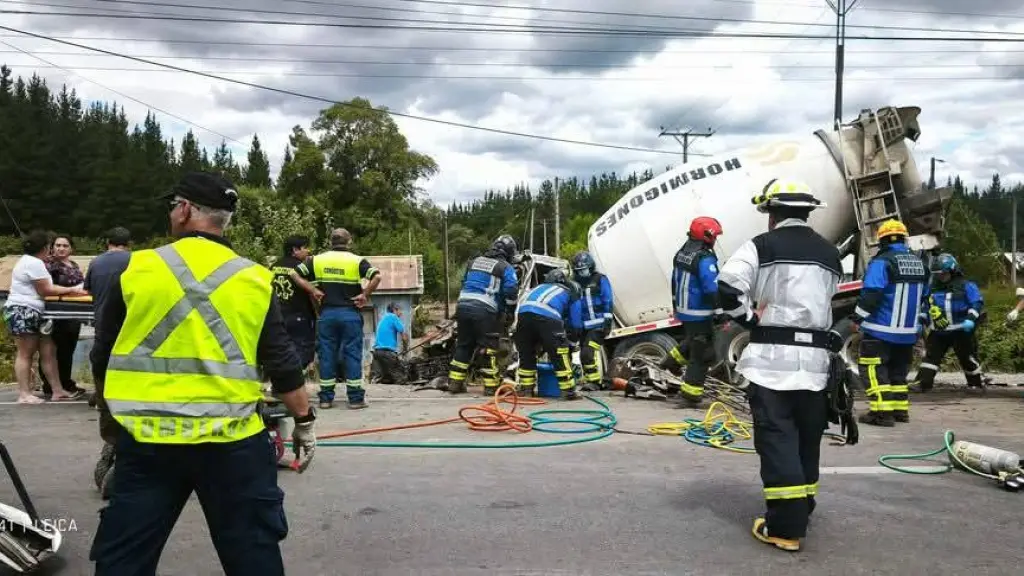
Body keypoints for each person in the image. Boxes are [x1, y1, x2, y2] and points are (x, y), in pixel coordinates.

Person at [88, 172, 317, 576]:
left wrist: (111, 424)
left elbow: (103, 353)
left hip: (148, 441)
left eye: (171, 206)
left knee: (124, 559)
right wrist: (303, 422)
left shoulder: (136, 268)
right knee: (253, 557)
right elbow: (281, 360)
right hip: (232, 443)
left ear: (184, 210)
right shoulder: (252, 277)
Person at [717, 178, 843, 552]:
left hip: (772, 362)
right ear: (807, 213)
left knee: (777, 438)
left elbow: (726, 285)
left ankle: (786, 528)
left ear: (772, 215)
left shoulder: (761, 245)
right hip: (816, 364)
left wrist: (749, 320)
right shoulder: (830, 253)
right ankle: (803, 508)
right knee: (807, 439)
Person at [849, 220, 929, 426]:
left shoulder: (882, 262)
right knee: (898, 372)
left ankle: (881, 414)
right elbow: (926, 297)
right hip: (909, 333)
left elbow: (872, 293)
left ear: (882, 240)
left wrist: (857, 318)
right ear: (904, 238)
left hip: (880, 330)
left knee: (874, 371)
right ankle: (900, 411)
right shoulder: (920, 264)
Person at [297, 228, 381, 409]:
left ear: (330, 242)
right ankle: (355, 399)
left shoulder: (317, 260)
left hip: (327, 314)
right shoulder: (357, 261)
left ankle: (326, 399)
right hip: (350, 314)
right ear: (348, 242)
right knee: (352, 354)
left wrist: (313, 290)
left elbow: (294, 274)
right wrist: (364, 294)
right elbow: (377, 276)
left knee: (327, 355)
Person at [1, 229, 86, 404]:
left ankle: (57, 390)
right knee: (26, 353)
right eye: (51, 246)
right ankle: (24, 394)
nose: (52, 250)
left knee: (49, 350)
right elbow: (46, 289)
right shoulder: (34, 263)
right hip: (23, 310)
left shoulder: (35, 262)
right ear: (45, 247)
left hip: (36, 311)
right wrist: (73, 290)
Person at [83, 226, 133, 496]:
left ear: (107, 242)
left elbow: (88, 291)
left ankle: (112, 444)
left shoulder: (97, 262)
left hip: (103, 339)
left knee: (107, 402)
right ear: (129, 243)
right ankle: (124, 458)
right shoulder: (137, 262)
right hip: (130, 341)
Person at [659, 216, 725, 409]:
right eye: (714, 236)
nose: (716, 240)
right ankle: (691, 394)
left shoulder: (682, 253)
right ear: (707, 236)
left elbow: (674, 281)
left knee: (693, 340)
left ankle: (670, 362)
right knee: (703, 353)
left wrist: (675, 306)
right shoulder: (704, 258)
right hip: (699, 312)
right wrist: (721, 312)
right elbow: (711, 288)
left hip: (685, 311)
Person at [446, 235, 519, 396]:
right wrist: (509, 311)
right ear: (508, 252)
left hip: (463, 305)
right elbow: (511, 289)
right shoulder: (505, 267)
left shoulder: (474, 261)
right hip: (484, 310)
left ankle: (454, 383)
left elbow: (464, 281)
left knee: (464, 344)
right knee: (489, 348)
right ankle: (491, 386)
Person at [912, 253, 985, 393]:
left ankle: (975, 385)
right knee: (931, 358)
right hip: (939, 331)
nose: (941, 276)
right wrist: (921, 322)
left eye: (943, 273)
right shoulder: (933, 288)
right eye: (938, 274)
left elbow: (976, 304)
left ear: (953, 270)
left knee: (967, 358)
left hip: (961, 330)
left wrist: (970, 319)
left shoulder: (967, 286)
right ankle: (923, 384)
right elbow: (926, 307)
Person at [514, 268, 585, 400]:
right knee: (560, 353)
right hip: (547, 316)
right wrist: (572, 341)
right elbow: (575, 321)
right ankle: (568, 391)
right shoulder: (570, 291)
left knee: (527, 353)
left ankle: (526, 389)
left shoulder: (537, 288)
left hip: (523, 316)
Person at [38, 234, 89, 399]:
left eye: (65, 246)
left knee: (68, 349)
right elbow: (48, 287)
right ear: (52, 247)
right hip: (55, 312)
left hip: (74, 312)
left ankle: (66, 381)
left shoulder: (73, 265)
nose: (60, 248)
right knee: (53, 350)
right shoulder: (49, 265)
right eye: (57, 245)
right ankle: (50, 384)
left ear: (71, 249)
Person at [270, 235, 324, 370]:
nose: (308, 251)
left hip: (277, 316)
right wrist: (319, 313)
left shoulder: (273, 267)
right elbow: (313, 294)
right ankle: (293, 381)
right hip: (300, 316)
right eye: (305, 248)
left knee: (281, 351)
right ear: (295, 250)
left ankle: (280, 381)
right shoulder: (302, 268)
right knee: (302, 351)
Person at [570, 250, 614, 391]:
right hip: (583, 327)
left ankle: (594, 382)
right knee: (584, 355)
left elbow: (608, 300)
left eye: (584, 269)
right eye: (579, 270)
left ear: (590, 266)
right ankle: (593, 381)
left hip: (599, 325)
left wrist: (607, 322)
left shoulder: (600, 279)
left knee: (587, 353)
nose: (582, 272)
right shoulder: (575, 283)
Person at [371, 302, 409, 384]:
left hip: (377, 353)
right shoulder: (393, 317)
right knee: (401, 377)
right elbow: (404, 336)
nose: (401, 313)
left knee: (383, 378)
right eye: (400, 310)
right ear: (395, 310)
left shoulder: (383, 318)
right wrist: (406, 349)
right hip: (387, 353)